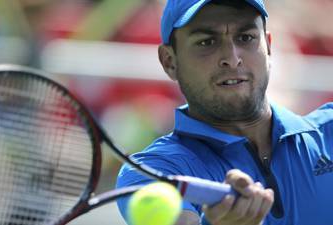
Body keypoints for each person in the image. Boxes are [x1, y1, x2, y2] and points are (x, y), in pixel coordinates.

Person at [116, 0, 333, 224]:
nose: (232, 58)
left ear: (268, 46)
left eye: (246, 38)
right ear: (170, 62)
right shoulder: (151, 171)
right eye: (206, 42)